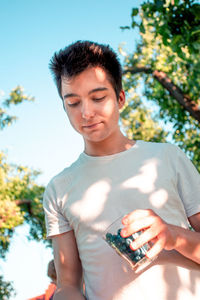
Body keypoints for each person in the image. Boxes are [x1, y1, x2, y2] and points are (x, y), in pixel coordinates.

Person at [43, 40, 200, 300]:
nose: (86, 112)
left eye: (98, 98)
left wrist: (173, 235)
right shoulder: (59, 189)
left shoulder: (167, 157)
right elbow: (67, 285)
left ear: (120, 98)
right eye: (72, 103)